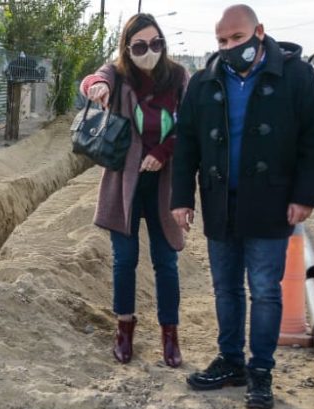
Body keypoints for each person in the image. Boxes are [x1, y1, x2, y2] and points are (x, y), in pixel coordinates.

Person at [171, 5, 314, 409]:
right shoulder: (206, 82)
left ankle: (261, 371)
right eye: (222, 41)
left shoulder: (294, 75)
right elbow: (186, 142)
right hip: (220, 199)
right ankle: (231, 361)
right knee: (225, 288)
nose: (228, 48)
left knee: (264, 289)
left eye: (237, 39)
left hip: (271, 202)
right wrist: (182, 198)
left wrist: (304, 196)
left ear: (259, 32)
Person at [80, 14, 191, 368]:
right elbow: (93, 79)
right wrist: (96, 87)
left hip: (164, 184)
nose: (149, 52)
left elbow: (189, 125)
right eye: (140, 46)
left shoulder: (178, 77)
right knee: (124, 261)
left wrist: (163, 152)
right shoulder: (119, 72)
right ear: (128, 48)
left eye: (155, 44)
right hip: (124, 185)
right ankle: (124, 329)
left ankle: (169, 336)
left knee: (166, 262)